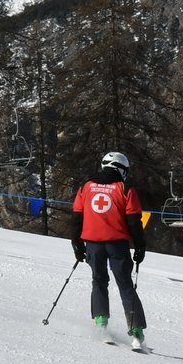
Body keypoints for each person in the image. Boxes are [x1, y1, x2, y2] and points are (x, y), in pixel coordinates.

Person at [70, 150, 148, 349]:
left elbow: (77, 218)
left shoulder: (86, 186)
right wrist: (140, 247)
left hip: (93, 243)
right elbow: (134, 222)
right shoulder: (125, 189)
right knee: (125, 285)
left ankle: (101, 324)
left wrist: (76, 244)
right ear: (121, 170)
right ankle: (136, 331)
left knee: (99, 281)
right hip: (117, 244)